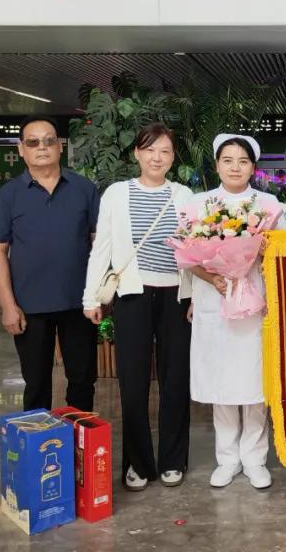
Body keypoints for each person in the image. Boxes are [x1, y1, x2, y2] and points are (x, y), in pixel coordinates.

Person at [82, 123, 195, 492]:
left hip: (176, 296)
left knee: (175, 380)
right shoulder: (117, 194)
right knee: (132, 382)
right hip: (132, 295)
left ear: (173, 158)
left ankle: (173, 460)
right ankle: (138, 462)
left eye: (164, 151)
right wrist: (90, 297)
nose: (156, 158)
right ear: (136, 153)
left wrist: (195, 296)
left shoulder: (183, 195)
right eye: (149, 150)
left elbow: (195, 251)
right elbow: (101, 248)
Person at [189, 134, 286, 490]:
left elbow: (285, 251)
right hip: (215, 300)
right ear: (217, 165)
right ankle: (227, 459)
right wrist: (212, 277)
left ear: (253, 167)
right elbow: (186, 255)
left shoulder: (268, 204)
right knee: (222, 383)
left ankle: (255, 459)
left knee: (254, 383)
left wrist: (263, 251)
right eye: (228, 160)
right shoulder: (200, 203)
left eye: (243, 161)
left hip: (255, 302)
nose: (235, 167)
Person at [0, 116, 100, 413]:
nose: (42, 147)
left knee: (82, 381)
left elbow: (99, 244)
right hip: (29, 306)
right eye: (33, 142)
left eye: (49, 140)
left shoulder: (84, 189)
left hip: (79, 303)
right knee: (36, 383)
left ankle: (78, 439)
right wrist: (7, 305)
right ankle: (41, 443)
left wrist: (100, 294)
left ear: (60, 146)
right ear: (21, 149)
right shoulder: (7, 196)